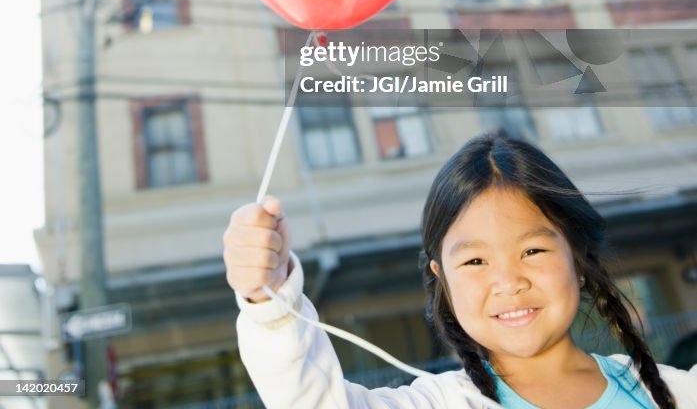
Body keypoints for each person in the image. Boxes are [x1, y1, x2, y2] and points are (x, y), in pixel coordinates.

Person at [223, 132, 697, 409]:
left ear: (575, 254)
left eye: (532, 251)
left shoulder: (676, 392)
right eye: (474, 261)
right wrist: (269, 296)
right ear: (442, 279)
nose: (508, 281)